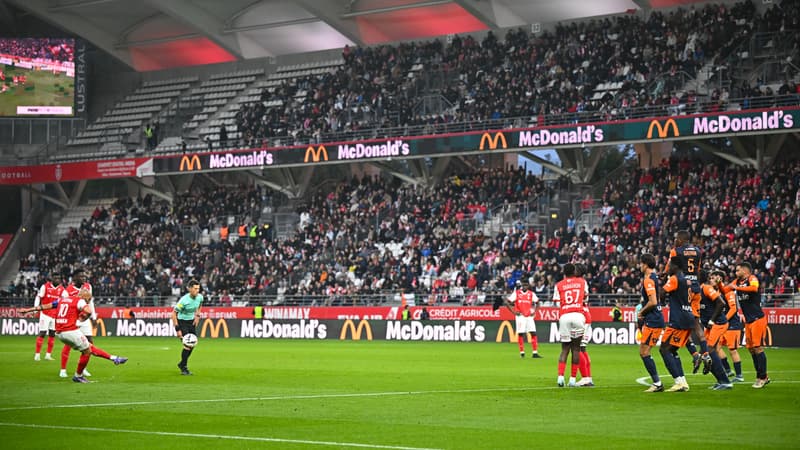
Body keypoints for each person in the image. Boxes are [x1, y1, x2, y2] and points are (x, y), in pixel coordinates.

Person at [18, 270, 127, 383]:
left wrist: (28, 310)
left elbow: (47, 306)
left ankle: (114, 358)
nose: (89, 299)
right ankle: (78, 375)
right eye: (88, 298)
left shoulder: (63, 299)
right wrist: (81, 320)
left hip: (60, 333)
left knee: (89, 347)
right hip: (70, 331)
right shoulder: (79, 301)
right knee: (87, 351)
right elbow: (88, 311)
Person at [666, 230, 710, 374]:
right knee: (696, 325)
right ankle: (704, 354)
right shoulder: (698, 251)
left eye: (676, 238)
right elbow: (697, 270)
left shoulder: (675, 251)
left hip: (683, 289)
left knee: (682, 324)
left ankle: (694, 354)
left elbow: (669, 269)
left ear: (680, 239)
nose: (675, 241)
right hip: (696, 288)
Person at [732, 262, 770, 388]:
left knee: (758, 347)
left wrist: (737, 288)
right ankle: (762, 375)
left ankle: (762, 377)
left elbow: (754, 288)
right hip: (748, 321)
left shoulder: (752, 279)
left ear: (745, 270)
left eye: (738, 270)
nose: (736, 273)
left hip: (757, 318)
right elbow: (728, 287)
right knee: (751, 349)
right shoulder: (738, 282)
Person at [659, 257, 693, 392]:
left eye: (670, 265)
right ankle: (683, 381)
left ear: (675, 266)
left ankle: (678, 381)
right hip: (688, 317)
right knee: (672, 350)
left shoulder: (674, 279)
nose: (668, 268)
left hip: (678, 319)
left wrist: (662, 301)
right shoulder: (686, 279)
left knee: (664, 349)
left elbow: (662, 292)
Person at [553, 263, 588, 387]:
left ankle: (560, 377)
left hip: (564, 316)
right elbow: (586, 299)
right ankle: (573, 379)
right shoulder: (582, 282)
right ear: (574, 271)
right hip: (578, 315)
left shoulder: (559, 285)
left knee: (564, 349)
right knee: (576, 349)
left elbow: (557, 303)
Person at [698, 271, 733, 390]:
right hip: (710, 325)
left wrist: (712, 320)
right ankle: (720, 380)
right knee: (705, 351)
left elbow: (721, 303)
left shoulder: (706, 288)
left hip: (718, 323)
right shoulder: (695, 291)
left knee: (710, 349)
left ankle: (726, 381)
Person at [58, 270, 96, 378]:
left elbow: (90, 302)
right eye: (81, 276)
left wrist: (93, 317)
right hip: (73, 319)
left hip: (84, 318)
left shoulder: (88, 287)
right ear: (75, 278)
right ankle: (63, 370)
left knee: (89, 343)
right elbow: (62, 305)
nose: (84, 278)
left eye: (84, 276)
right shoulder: (67, 291)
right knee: (69, 344)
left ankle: (83, 369)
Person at [637, 254, 666, 393]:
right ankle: (657, 382)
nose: (639, 266)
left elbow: (653, 302)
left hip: (653, 320)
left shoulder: (648, 280)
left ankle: (657, 383)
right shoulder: (654, 277)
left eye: (641, 263)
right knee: (644, 351)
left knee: (644, 352)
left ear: (645, 264)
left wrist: (641, 312)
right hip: (654, 319)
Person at [714, 272, 744, 382]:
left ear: (720, 279)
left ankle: (739, 376)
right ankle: (728, 370)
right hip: (722, 325)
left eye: (714, 277)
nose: (712, 279)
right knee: (716, 347)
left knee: (732, 350)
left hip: (732, 325)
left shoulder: (729, 291)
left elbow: (733, 309)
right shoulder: (716, 292)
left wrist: (724, 319)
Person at [172, 279, 203, 376]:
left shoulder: (200, 297)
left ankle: (182, 363)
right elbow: (173, 314)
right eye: (195, 288)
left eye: (198, 288)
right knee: (187, 345)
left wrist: (197, 316)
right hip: (182, 322)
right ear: (190, 289)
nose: (197, 290)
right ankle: (184, 367)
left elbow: (200, 305)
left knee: (192, 344)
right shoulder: (183, 301)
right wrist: (177, 329)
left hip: (191, 322)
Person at [505, 280, 541, 359]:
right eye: (523, 285)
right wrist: (513, 312)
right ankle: (522, 352)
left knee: (533, 333)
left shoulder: (531, 294)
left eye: (526, 285)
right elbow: (507, 302)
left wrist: (534, 311)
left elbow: (538, 302)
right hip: (520, 316)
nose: (525, 287)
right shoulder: (517, 293)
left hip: (529, 316)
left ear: (528, 286)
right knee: (521, 333)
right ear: (521, 285)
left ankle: (535, 352)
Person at [33, 273, 62, 361]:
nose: (58, 280)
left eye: (59, 278)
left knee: (52, 334)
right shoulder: (45, 287)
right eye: (56, 278)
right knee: (42, 333)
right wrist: (35, 309)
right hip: (45, 314)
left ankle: (48, 355)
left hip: (54, 315)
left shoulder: (61, 289)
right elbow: (38, 297)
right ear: (52, 279)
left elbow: (66, 299)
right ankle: (37, 354)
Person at [575, 265, 593, 387]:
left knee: (577, 347)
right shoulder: (583, 282)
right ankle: (588, 377)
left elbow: (582, 297)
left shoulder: (580, 283)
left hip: (582, 315)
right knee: (582, 348)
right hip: (585, 314)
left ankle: (585, 378)